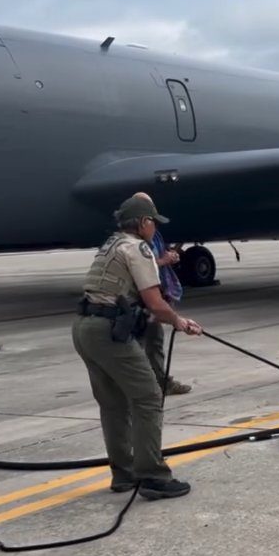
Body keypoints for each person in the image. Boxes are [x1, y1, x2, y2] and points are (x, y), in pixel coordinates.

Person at [72, 195, 202, 500]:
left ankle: (124, 474)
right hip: (107, 331)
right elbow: (156, 304)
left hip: (83, 328)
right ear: (143, 223)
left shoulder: (111, 244)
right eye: (153, 222)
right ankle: (153, 476)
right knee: (148, 395)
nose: (155, 228)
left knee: (113, 403)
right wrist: (180, 322)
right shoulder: (138, 248)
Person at [131, 192, 191, 395]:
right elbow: (144, 265)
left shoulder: (153, 234)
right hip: (140, 299)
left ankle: (160, 381)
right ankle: (139, 385)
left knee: (155, 341)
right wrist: (176, 320)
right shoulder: (131, 244)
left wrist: (170, 256)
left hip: (158, 291)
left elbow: (159, 254)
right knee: (136, 343)